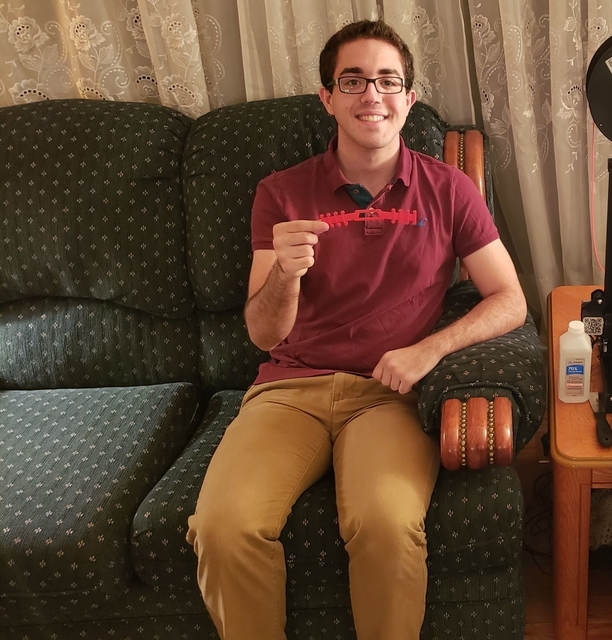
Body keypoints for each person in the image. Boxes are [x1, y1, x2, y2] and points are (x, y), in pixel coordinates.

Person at [185, 19, 526, 640]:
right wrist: (285, 276)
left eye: (387, 81)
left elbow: (510, 300)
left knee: (388, 524)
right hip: (289, 390)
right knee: (221, 527)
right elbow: (263, 334)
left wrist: (429, 350)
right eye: (353, 81)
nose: (372, 94)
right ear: (328, 98)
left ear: (408, 99)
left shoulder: (450, 189)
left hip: (388, 394)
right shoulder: (281, 193)